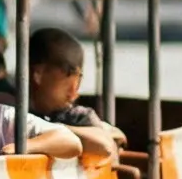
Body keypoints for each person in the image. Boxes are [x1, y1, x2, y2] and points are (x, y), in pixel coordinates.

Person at [28, 28, 127, 158]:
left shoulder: (78, 118)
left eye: (78, 83)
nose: (74, 93)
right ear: (38, 74)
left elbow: (105, 147)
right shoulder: (12, 112)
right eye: (67, 83)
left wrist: (48, 130)